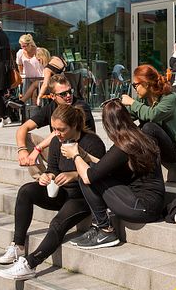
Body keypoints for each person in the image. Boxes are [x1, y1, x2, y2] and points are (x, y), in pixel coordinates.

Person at [0, 104, 106, 280]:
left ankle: (30, 264)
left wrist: (74, 174)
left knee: (57, 224)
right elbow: (53, 168)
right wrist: (47, 176)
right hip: (61, 192)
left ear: (75, 126)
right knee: (26, 191)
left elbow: (99, 173)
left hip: (83, 197)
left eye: (61, 130)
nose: (57, 133)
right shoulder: (56, 141)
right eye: (54, 129)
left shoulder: (92, 142)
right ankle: (18, 245)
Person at [65, 98, 165, 249]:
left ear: (107, 125)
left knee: (85, 176)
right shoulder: (136, 138)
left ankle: (105, 230)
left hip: (141, 208)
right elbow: (104, 166)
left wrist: (75, 155)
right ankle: (100, 227)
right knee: (91, 170)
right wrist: (85, 155)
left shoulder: (123, 147)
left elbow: (89, 176)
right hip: (149, 205)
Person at [15, 75, 96, 178]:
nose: (68, 96)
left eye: (70, 91)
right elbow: (23, 127)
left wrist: (38, 148)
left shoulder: (80, 107)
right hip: (59, 151)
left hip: (80, 153)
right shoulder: (51, 107)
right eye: (63, 94)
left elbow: (60, 132)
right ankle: (42, 178)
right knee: (27, 138)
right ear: (53, 96)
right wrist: (22, 150)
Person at [121, 64, 176, 163]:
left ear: (146, 84)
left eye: (135, 85)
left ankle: (152, 174)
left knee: (149, 127)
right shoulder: (142, 99)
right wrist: (116, 109)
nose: (135, 89)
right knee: (128, 128)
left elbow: (153, 115)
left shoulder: (170, 97)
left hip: (173, 150)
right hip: (154, 147)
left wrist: (132, 103)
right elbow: (128, 116)